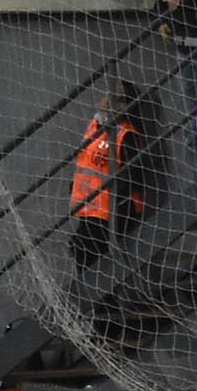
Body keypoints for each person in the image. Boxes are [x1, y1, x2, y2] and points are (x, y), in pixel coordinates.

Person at [67, 86, 152, 276]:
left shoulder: (125, 134)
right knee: (82, 251)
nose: (109, 100)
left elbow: (134, 175)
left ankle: (105, 305)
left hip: (114, 209)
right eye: (109, 94)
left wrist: (110, 197)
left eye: (120, 99)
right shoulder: (95, 127)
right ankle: (100, 303)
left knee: (87, 252)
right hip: (90, 208)